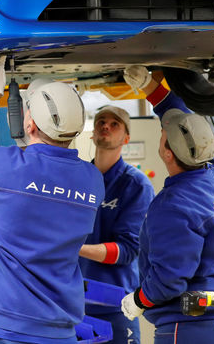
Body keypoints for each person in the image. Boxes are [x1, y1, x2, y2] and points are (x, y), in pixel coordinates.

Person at [0, 57, 104, 344]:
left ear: (29, 124)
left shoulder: (5, 169)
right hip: (61, 329)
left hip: (9, 327)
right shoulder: (92, 180)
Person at [119, 66, 214, 344]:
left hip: (188, 328)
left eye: (163, 134)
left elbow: (168, 281)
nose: (162, 131)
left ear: (167, 153)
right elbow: (182, 122)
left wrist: (138, 300)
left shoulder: (172, 207)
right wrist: (150, 87)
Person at [79, 105, 154, 344]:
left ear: (127, 138)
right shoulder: (77, 179)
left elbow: (128, 250)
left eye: (115, 124)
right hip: (74, 306)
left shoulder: (136, 185)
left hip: (116, 306)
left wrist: (74, 248)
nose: (106, 126)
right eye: (101, 121)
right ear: (92, 131)